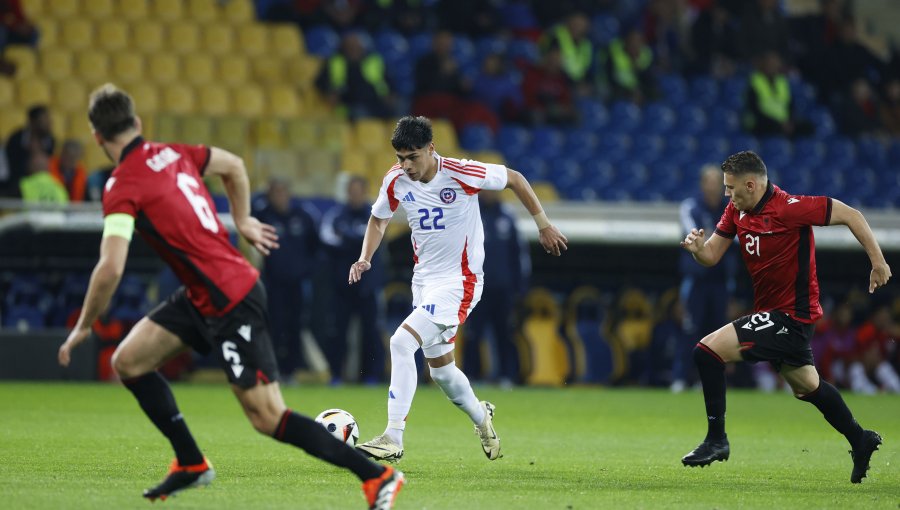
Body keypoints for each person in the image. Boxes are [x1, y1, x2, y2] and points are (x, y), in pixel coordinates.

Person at [57, 84, 403, 509]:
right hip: (204, 292)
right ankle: (190, 463)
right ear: (138, 124)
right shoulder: (176, 152)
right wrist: (243, 219)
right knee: (128, 361)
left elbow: (110, 267)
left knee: (267, 416)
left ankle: (378, 475)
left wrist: (83, 325)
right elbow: (234, 165)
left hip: (230, 296)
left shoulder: (121, 185)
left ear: (97, 137)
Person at [350, 116, 567, 461]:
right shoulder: (395, 180)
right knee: (442, 371)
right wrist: (365, 257)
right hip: (423, 283)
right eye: (400, 158)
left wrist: (543, 225)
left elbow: (515, 178)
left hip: (459, 282)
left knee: (401, 341)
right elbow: (379, 218)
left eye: (413, 157)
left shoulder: (461, 172)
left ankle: (393, 436)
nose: (405, 165)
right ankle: (483, 418)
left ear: (431, 149)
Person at [679, 150, 891, 483]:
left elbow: (853, 215)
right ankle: (860, 439)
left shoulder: (792, 208)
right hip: (773, 316)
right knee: (808, 386)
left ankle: (716, 439)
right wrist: (697, 250)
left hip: (792, 317)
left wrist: (878, 262)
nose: (726, 194)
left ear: (751, 184)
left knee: (706, 352)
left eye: (731, 188)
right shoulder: (736, 211)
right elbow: (712, 255)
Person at [673, 165, 736, 393]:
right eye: (709, 182)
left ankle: (707, 380)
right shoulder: (691, 207)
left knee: (717, 334)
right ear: (702, 184)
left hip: (720, 282)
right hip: (696, 281)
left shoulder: (729, 209)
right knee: (690, 331)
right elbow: (694, 239)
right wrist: (718, 239)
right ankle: (680, 378)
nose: (713, 187)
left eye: (717, 183)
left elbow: (733, 240)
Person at [320, 175, 386, 384]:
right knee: (338, 333)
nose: (355, 195)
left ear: (365, 192)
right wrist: (359, 239)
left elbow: (376, 237)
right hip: (343, 285)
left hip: (369, 286)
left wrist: (347, 236)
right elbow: (328, 239)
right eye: (352, 191)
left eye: (359, 191)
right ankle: (337, 375)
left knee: (371, 333)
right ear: (347, 193)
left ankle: (371, 376)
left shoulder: (376, 214)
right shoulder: (335, 215)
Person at [254, 177, 320, 383]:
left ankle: (290, 372)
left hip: (297, 284)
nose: (280, 197)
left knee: (294, 327)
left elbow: (315, 247)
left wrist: (305, 270)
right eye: (275, 193)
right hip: (272, 284)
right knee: (273, 326)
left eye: (283, 192)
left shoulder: (302, 217)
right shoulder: (264, 216)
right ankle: (272, 371)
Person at [462, 189, 529, 386]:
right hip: (475, 288)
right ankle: (471, 376)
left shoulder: (508, 217)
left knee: (505, 333)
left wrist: (520, 287)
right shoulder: (470, 214)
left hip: (503, 289)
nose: (490, 193)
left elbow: (519, 255)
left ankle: (507, 376)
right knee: (473, 334)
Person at [2, 104, 55, 197]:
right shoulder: (16, 139)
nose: (49, 123)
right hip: (16, 186)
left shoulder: (51, 141)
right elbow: (8, 165)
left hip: (41, 187)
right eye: (44, 120)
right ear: (33, 122)